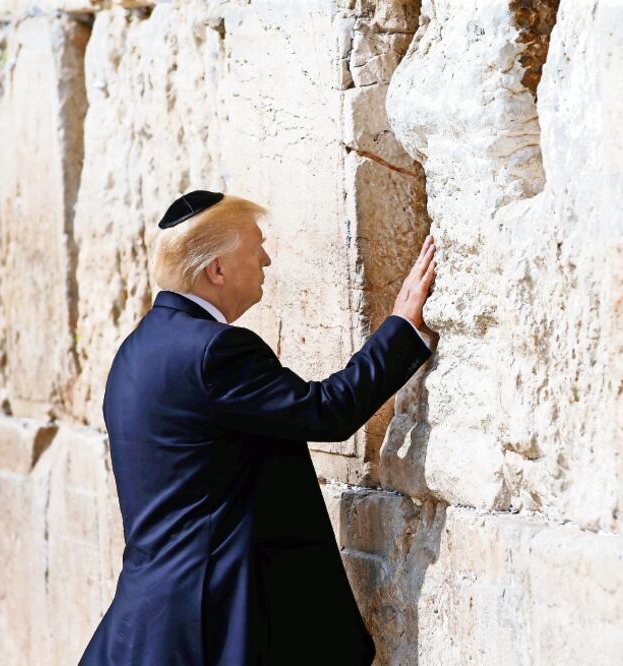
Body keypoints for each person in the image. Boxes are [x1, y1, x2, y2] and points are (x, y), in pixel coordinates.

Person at [79, 190, 437, 665]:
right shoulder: (215, 351)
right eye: (256, 246)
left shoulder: (135, 351)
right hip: (215, 625)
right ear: (217, 269)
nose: (266, 259)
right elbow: (326, 411)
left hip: (151, 620)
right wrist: (401, 326)